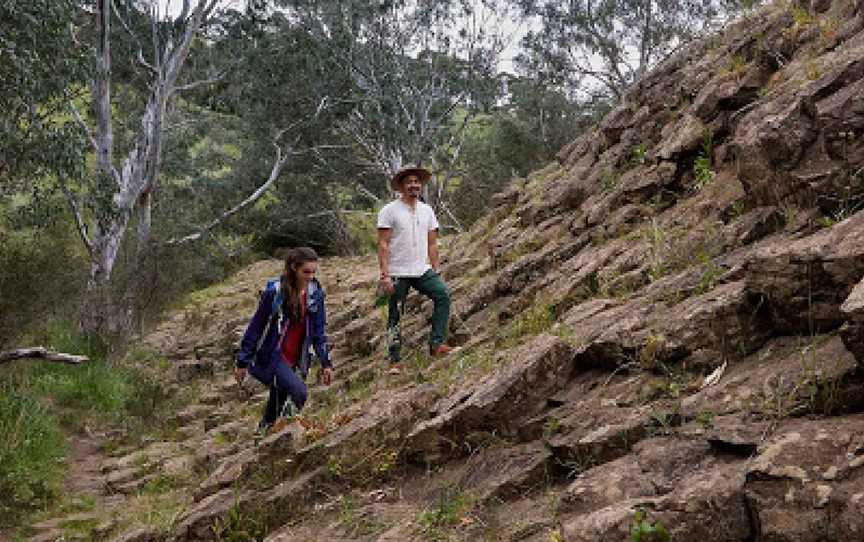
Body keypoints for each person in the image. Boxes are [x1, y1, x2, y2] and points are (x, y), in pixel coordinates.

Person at [234, 247, 333, 435]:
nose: (310, 276)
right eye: (306, 272)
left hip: (296, 357)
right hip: (272, 356)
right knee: (299, 393)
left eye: (313, 272)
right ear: (294, 268)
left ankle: (262, 436)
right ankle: (285, 437)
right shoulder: (275, 292)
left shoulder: (315, 293)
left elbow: (319, 331)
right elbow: (256, 326)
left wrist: (326, 363)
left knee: (276, 404)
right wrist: (242, 361)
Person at [377, 167, 454, 374]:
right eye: (409, 182)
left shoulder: (427, 210)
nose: (414, 185)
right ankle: (394, 361)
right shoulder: (389, 211)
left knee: (443, 295)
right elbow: (383, 244)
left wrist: (436, 268)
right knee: (395, 314)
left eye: (417, 182)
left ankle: (436, 344)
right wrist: (385, 275)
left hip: (421, 269)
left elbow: (432, 243)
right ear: (402, 186)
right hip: (397, 271)